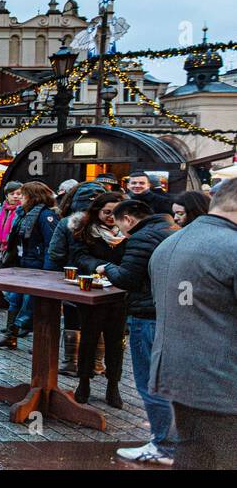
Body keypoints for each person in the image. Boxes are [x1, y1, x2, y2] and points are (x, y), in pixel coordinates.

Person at [150, 177, 237, 468]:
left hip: (179, 372)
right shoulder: (232, 245)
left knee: (195, 452)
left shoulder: (171, 241)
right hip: (223, 380)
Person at [96, 198, 176, 465]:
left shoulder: (142, 237)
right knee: (166, 381)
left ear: (128, 219)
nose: (121, 232)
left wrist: (105, 267)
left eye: (120, 226)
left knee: (149, 383)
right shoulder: (172, 229)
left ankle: (162, 446)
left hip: (146, 315)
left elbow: (127, 277)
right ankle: (172, 442)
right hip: (169, 314)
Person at [70, 191, 127, 404]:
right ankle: (83, 381)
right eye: (106, 212)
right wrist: (99, 266)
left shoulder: (129, 232)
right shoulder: (85, 230)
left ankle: (113, 385)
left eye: (116, 213)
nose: (111, 217)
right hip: (92, 291)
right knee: (88, 339)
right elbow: (78, 257)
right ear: (97, 211)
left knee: (116, 341)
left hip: (119, 294)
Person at [45, 181, 106, 374]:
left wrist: (68, 263)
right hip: (105, 278)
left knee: (72, 318)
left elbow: (54, 253)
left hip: (74, 278)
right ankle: (97, 363)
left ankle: (71, 362)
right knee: (100, 319)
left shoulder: (66, 223)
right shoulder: (109, 222)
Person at [0, 181, 58, 348]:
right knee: (15, 298)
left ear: (33, 197)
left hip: (37, 265)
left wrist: (48, 272)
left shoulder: (45, 216)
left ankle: (40, 344)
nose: (19, 197)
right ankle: (10, 336)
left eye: (23, 194)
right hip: (23, 262)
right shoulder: (23, 213)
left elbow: (51, 245)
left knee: (33, 304)